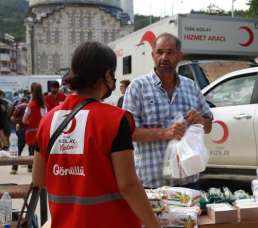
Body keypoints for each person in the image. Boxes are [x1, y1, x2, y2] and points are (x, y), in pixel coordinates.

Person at [32, 41, 159, 228]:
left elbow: (38, 179)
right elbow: (128, 185)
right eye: (113, 74)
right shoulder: (115, 120)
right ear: (107, 75)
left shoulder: (48, 121)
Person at [123, 33, 213, 189]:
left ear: (179, 56)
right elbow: (127, 133)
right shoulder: (138, 87)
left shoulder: (190, 86)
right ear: (153, 55)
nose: (164, 57)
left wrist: (201, 121)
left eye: (170, 52)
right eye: (159, 52)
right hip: (152, 184)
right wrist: (165, 133)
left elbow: (208, 126)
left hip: (189, 182)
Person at [23, 83, 47, 172]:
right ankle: (40, 169)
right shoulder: (43, 105)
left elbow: (24, 120)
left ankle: (31, 167)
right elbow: (45, 118)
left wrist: (31, 122)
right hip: (41, 132)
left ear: (32, 91)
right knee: (41, 152)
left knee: (31, 151)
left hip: (31, 132)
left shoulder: (30, 105)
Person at [10, 96, 28, 174]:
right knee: (32, 150)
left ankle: (14, 168)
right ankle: (30, 167)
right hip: (31, 130)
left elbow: (12, 118)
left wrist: (18, 122)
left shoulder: (18, 106)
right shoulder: (30, 106)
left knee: (19, 149)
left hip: (21, 130)